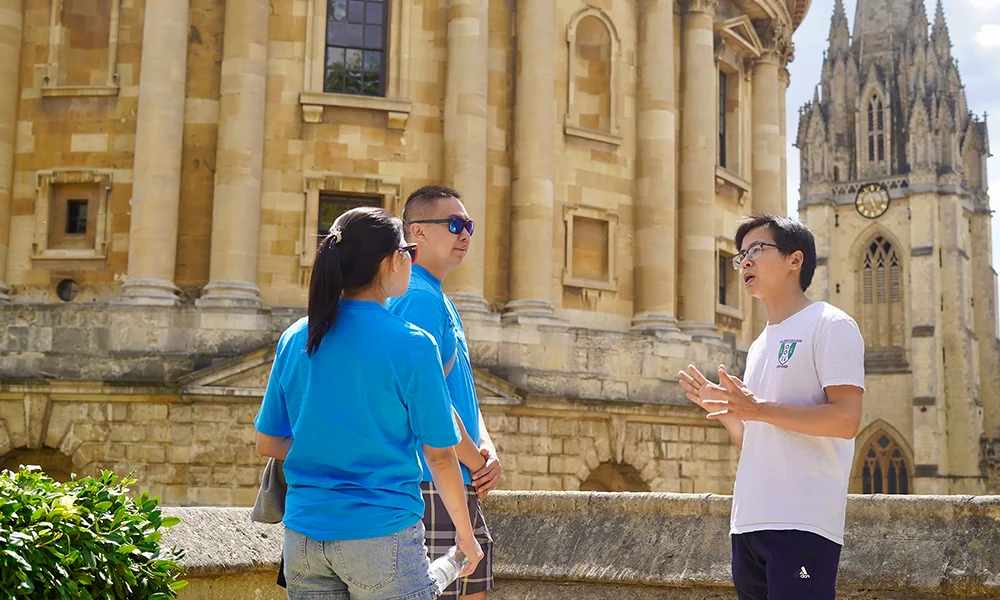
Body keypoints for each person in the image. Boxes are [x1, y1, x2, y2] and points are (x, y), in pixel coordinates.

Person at [254, 206, 483, 600]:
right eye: (407, 252)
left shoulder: (296, 336)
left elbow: (268, 441)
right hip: (380, 532)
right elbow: (441, 455)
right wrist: (466, 535)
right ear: (392, 261)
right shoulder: (412, 344)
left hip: (304, 538)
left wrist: (328, 449)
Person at [678, 214, 865, 600]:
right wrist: (734, 417)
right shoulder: (761, 343)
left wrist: (758, 409)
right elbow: (762, 440)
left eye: (757, 250)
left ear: (794, 260)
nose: (745, 261)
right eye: (741, 255)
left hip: (802, 523)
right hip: (747, 523)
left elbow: (846, 420)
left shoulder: (831, 325)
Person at [386, 185, 500, 600]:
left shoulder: (436, 296)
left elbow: (459, 385)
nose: (465, 234)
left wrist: (485, 447)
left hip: (452, 473)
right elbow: (427, 399)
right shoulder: (417, 297)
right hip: (432, 478)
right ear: (418, 231)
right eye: (454, 224)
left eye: (468, 224)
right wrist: (476, 460)